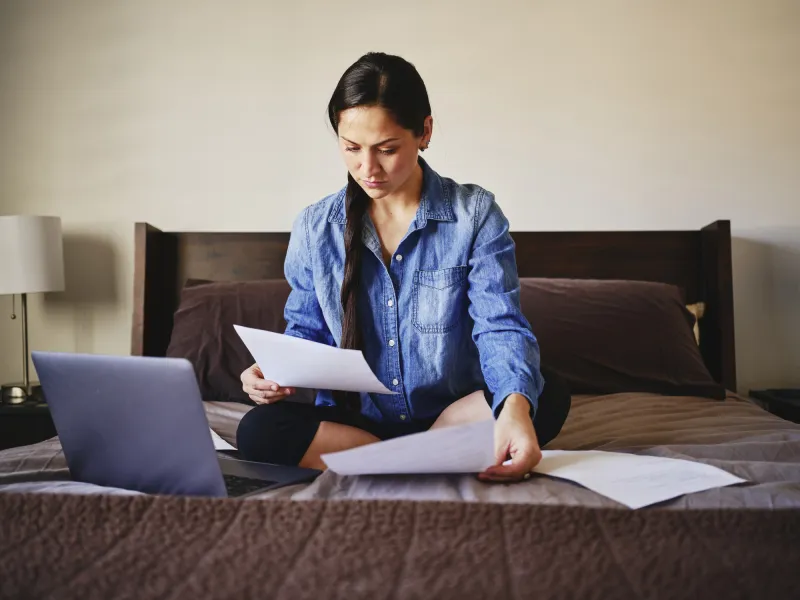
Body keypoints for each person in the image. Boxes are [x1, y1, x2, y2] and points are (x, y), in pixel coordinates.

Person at [236, 52, 571, 483]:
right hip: (356, 425)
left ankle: (394, 460)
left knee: (541, 390)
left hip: (453, 415)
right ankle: (425, 458)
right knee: (257, 430)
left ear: (424, 132)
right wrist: (272, 373)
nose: (368, 168)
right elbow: (307, 334)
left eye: (387, 149)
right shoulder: (315, 227)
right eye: (351, 148)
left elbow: (500, 326)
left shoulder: (475, 214)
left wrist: (514, 408)